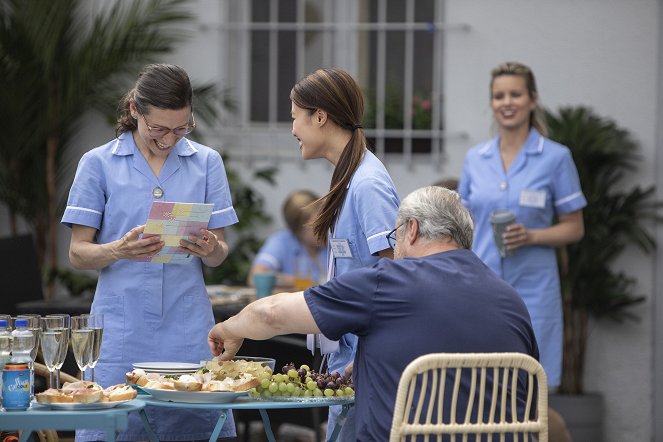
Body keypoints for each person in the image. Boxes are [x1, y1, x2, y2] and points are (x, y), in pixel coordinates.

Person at [208, 186, 540, 441]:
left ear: (411, 229)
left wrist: (230, 328)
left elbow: (271, 314)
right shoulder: (510, 299)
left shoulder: (390, 281)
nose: (394, 249)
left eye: (394, 237)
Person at [61, 64, 239, 441]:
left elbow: (220, 254)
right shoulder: (98, 163)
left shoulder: (207, 162)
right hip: (120, 329)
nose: (169, 139)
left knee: (195, 426)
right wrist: (119, 249)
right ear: (134, 110)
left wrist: (210, 247)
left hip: (188, 325)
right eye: (158, 128)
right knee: (112, 424)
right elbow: (78, 253)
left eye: (180, 128)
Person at [458, 62, 584, 441]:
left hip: (534, 294)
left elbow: (575, 228)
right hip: (481, 291)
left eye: (515, 94)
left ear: (532, 99)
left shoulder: (555, 157)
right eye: (499, 96)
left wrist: (531, 236)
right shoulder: (474, 159)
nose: (507, 102)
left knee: (534, 400)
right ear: (492, 102)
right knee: (480, 392)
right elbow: (462, 225)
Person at [289, 67, 400, 440]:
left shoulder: (367, 183)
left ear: (319, 116)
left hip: (364, 365)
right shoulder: (349, 175)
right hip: (349, 363)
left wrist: (361, 358)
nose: (293, 131)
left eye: (295, 118)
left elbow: (398, 275)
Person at [249, 190, 327, 289]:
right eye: (317, 225)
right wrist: (303, 282)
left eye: (326, 221)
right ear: (297, 228)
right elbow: (255, 277)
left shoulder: (332, 242)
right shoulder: (281, 242)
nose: (326, 228)